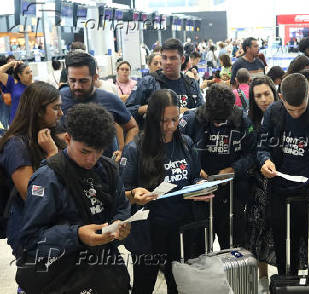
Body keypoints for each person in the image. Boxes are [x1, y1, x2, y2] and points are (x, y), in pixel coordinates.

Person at [15, 103, 131, 294]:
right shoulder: (47, 178)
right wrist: (77, 235)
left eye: (99, 151)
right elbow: (31, 240)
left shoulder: (108, 168)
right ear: (68, 139)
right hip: (64, 274)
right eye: (84, 151)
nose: (91, 160)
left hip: (105, 269)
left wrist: (121, 223)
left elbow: (121, 206)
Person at [258, 73, 309, 280]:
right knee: (285, 253)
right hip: (281, 191)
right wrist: (264, 160)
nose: (295, 114)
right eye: (290, 109)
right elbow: (262, 145)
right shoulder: (274, 112)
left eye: (301, 109)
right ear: (281, 98)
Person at [122, 89, 207, 294]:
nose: (170, 126)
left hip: (180, 229)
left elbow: (194, 175)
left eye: (174, 119)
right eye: (163, 121)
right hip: (149, 231)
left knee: (177, 283)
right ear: (152, 119)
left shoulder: (185, 143)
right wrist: (134, 195)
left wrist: (199, 188)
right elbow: (121, 192)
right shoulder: (135, 150)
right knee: (144, 284)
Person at [180, 83, 256, 250]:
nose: (218, 124)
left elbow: (252, 154)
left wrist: (234, 169)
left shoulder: (242, 121)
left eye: (222, 121)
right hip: (200, 191)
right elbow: (177, 151)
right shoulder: (191, 120)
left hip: (232, 191)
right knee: (199, 246)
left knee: (233, 245)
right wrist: (194, 169)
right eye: (215, 120)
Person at [0, 82, 64, 256]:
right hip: (29, 231)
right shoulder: (16, 145)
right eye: (56, 108)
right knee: (36, 281)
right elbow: (31, 195)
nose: (61, 113)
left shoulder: (47, 137)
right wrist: (52, 155)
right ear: (38, 110)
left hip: (53, 224)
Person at [60, 52, 138, 158]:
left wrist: (125, 152)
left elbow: (132, 127)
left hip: (104, 168)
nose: (77, 86)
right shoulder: (59, 100)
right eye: (72, 80)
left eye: (83, 81)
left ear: (95, 77)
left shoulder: (109, 99)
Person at [246, 76, 279, 293]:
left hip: (282, 184)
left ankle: (286, 279)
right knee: (257, 236)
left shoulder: (285, 116)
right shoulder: (249, 122)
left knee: (280, 234)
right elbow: (247, 154)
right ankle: (263, 282)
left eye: (267, 93)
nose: (263, 99)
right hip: (257, 187)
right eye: (258, 95)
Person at [126, 38, 204, 128]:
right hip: (155, 137)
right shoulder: (148, 83)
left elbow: (203, 112)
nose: (168, 62)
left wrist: (189, 112)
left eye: (173, 58)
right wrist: (147, 108)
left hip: (186, 138)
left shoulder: (191, 84)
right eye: (164, 58)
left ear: (182, 60)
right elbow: (127, 111)